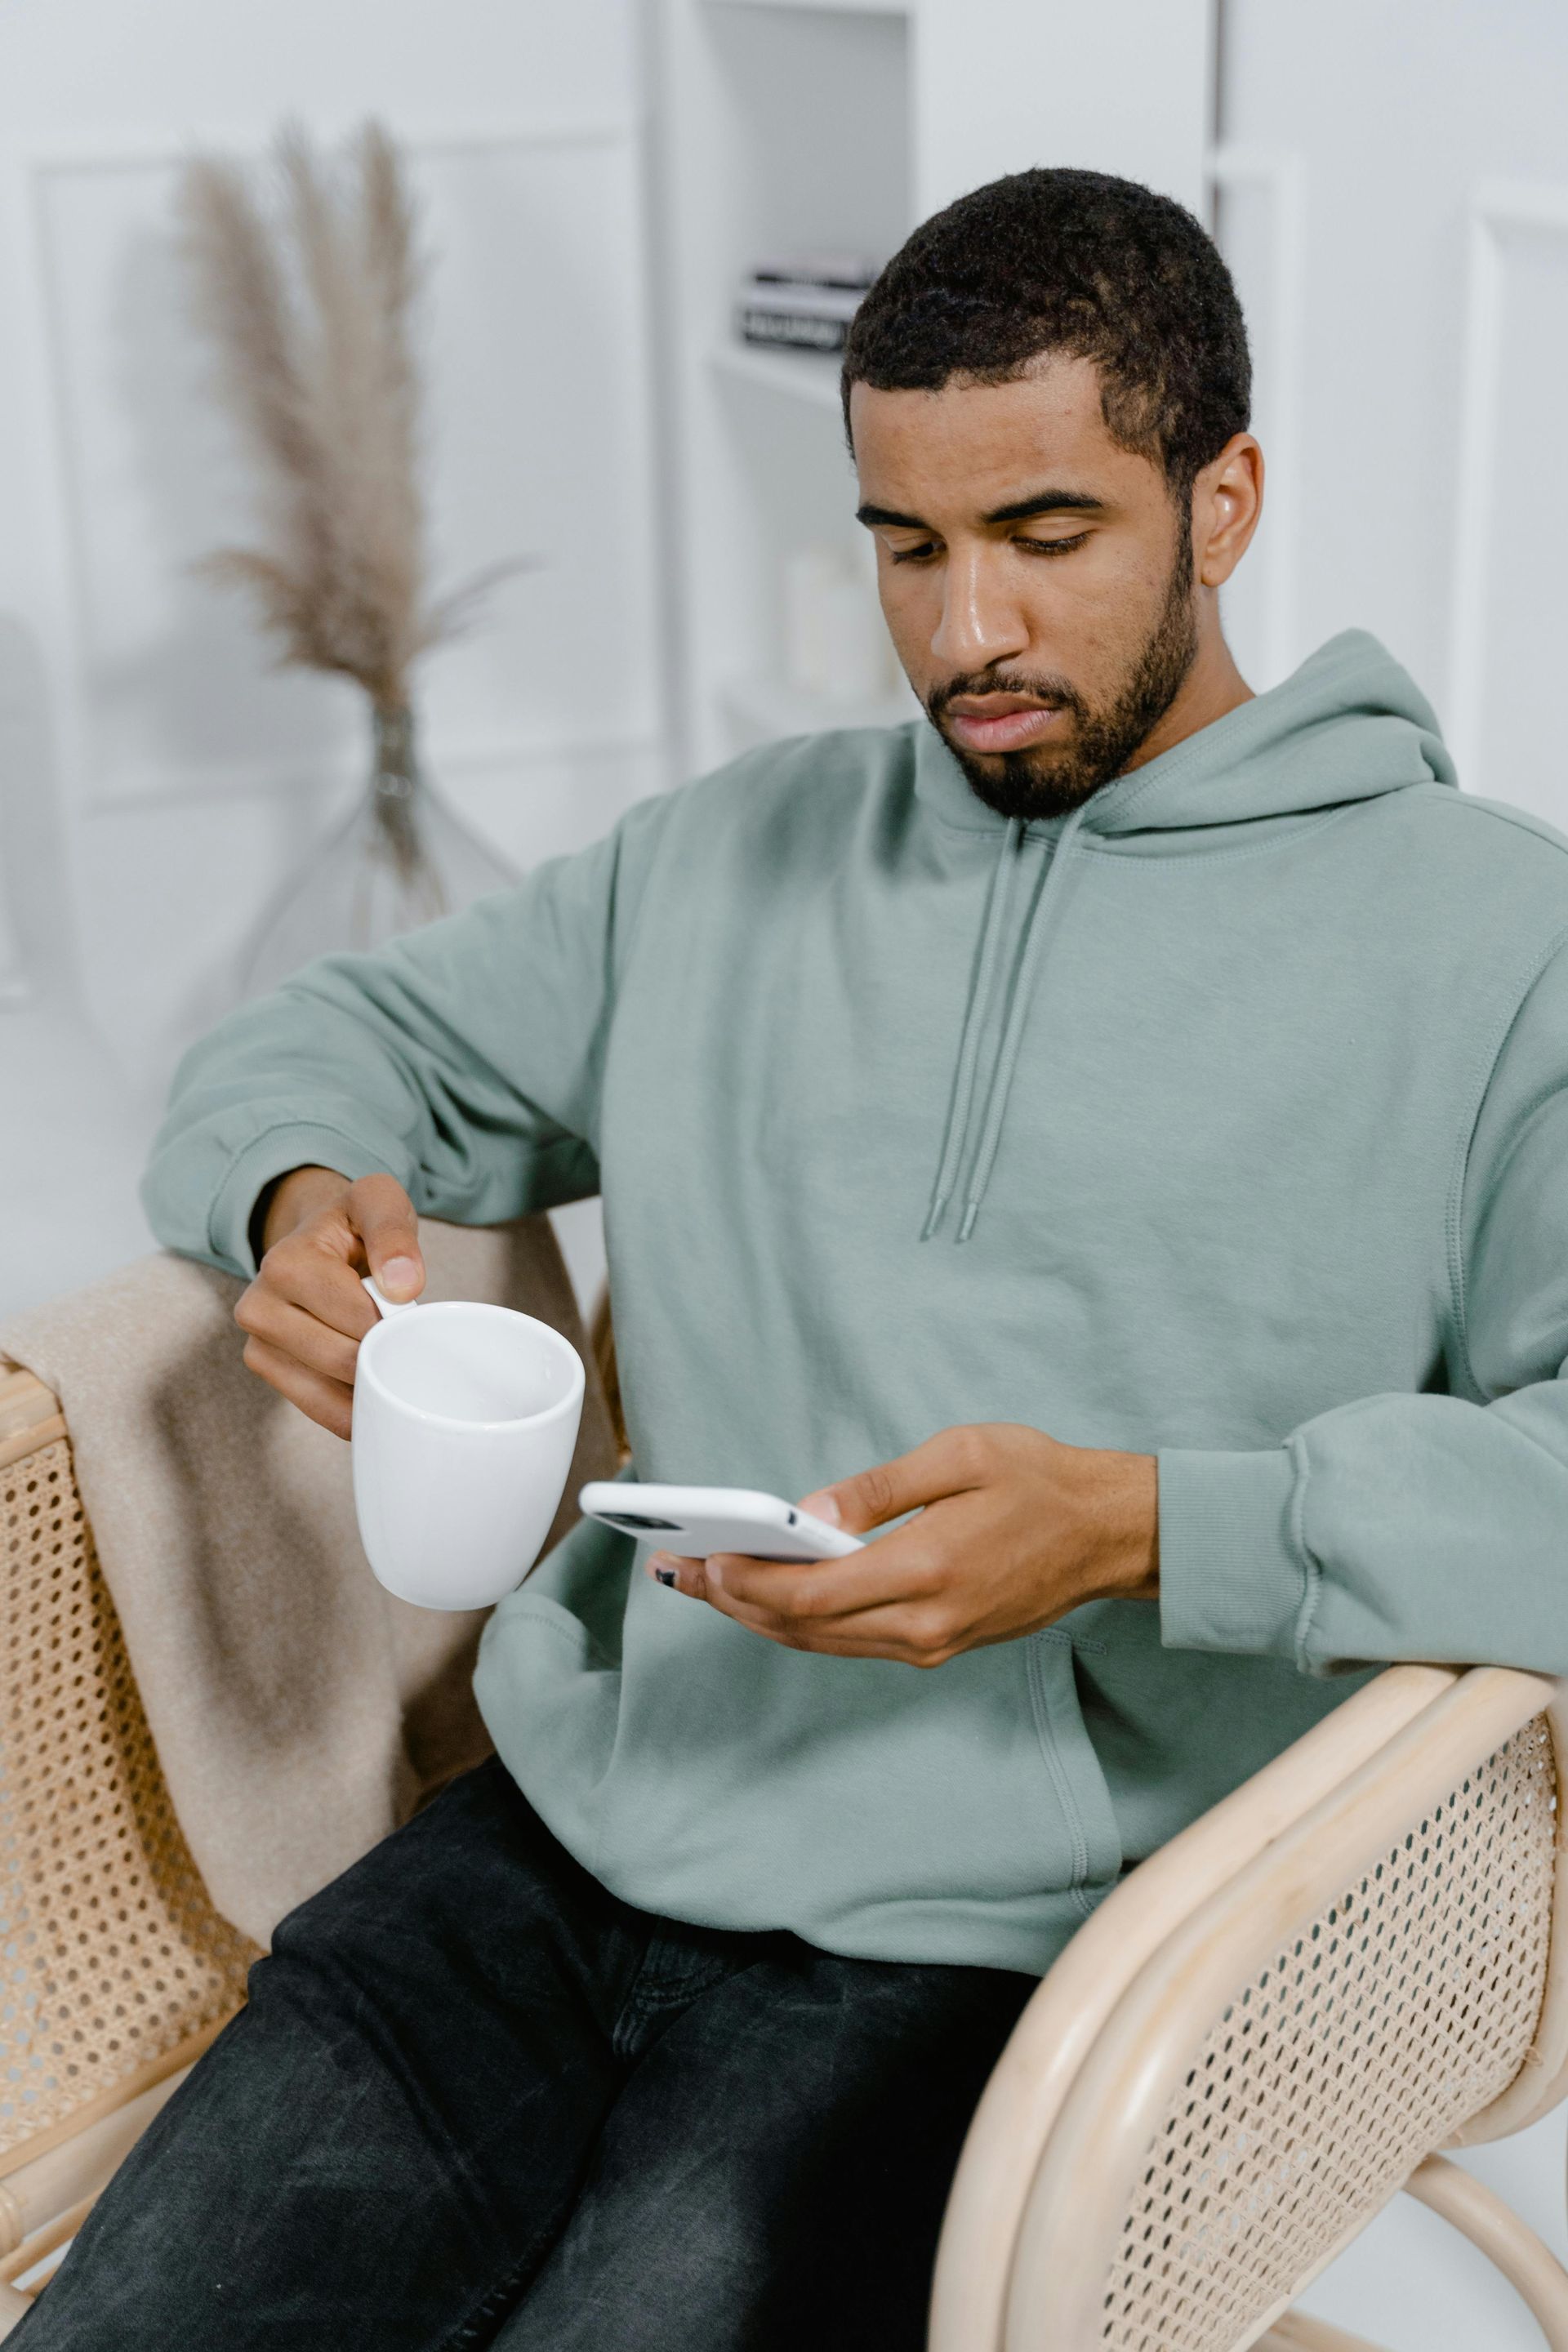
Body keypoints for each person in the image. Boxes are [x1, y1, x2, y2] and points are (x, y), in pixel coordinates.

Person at [23, 165, 1568, 2350]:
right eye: (905, 548)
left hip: (1022, 1945)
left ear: (1222, 504)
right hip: (567, 1831)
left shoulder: (1502, 946)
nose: (965, 636)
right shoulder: (738, 853)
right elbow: (333, 1038)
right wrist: (298, 1191)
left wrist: (1142, 1531)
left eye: (1045, 538)